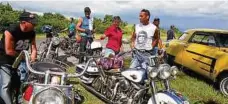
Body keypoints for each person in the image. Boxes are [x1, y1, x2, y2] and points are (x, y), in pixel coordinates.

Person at [0, 11, 38, 104]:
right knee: (6, 84)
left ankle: (18, 100)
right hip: (4, 59)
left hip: (18, 60)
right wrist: (24, 57)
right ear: (24, 23)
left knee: (19, 83)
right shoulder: (11, 30)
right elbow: (9, 51)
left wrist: (32, 60)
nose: (35, 24)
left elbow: (34, 49)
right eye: (32, 23)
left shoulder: (32, 33)